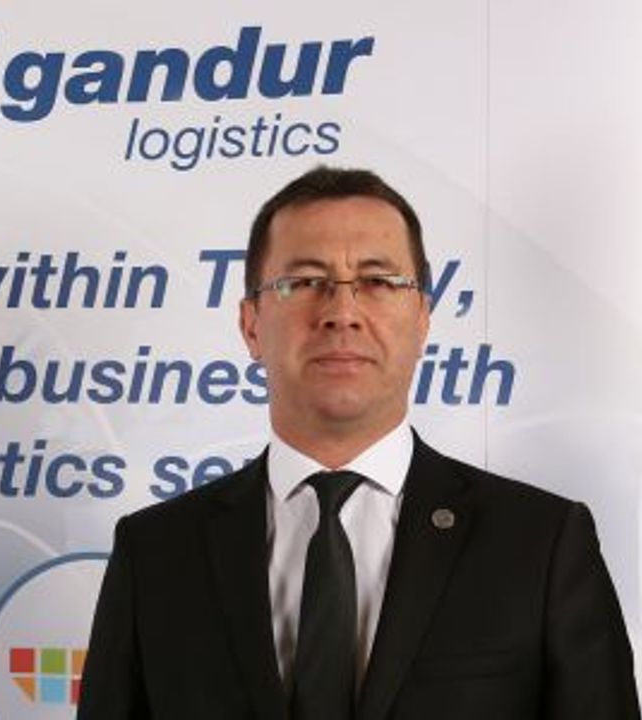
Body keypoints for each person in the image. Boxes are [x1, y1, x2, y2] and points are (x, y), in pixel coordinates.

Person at [78, 166, 639, 719]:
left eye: (378, 282)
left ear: (422, 319)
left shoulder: (541, 544)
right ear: (251, 325)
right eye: (303, 282)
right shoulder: (154, 555)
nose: (341, 313)